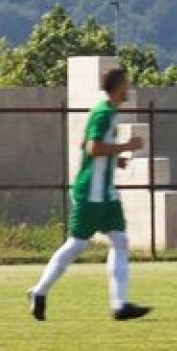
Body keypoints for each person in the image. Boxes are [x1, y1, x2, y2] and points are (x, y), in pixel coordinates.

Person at [26, 67, 151, 321]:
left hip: (106, 193)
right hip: (91, 193)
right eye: (127, 84)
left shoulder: (109, 113)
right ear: (118, 87)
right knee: (77, 245)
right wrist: (126, 146)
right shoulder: (103, 113)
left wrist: (115, 160)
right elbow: (93, 148)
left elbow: (85, 144)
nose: (129, 88)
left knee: (120, 241)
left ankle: (120, 305)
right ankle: (39, 292)